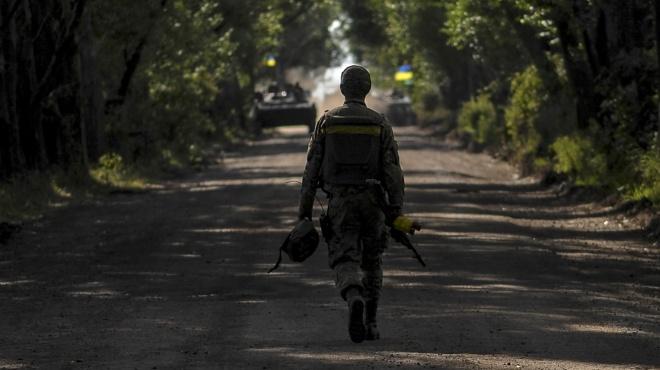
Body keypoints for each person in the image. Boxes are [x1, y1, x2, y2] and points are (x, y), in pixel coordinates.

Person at [298, 65, 405, 343]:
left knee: (345, 258)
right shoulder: (379, 123)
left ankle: (354, 295)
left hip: (340, 203)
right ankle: (370, 322)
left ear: (344, 89)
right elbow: (392, 171)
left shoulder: (327, 122)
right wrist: (396, 210)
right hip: (373, 203)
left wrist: (304, 214)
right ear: (367, 89)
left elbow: (311, 172)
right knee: (373, 261)